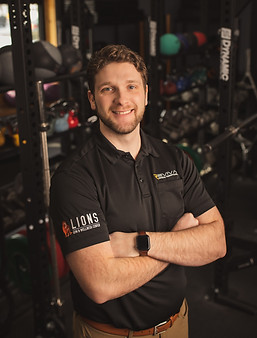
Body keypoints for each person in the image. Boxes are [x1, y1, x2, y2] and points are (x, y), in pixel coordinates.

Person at [50, 44, 226, 338]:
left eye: (131, 86)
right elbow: (101, 284)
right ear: (92, 100)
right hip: (108, 334)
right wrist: (178, 243)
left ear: (145, 93)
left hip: (176, 324)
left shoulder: (175, 159)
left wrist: (140, 243)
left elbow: (217, 242)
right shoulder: (75, 177)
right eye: (108, 89)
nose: (122, 99)